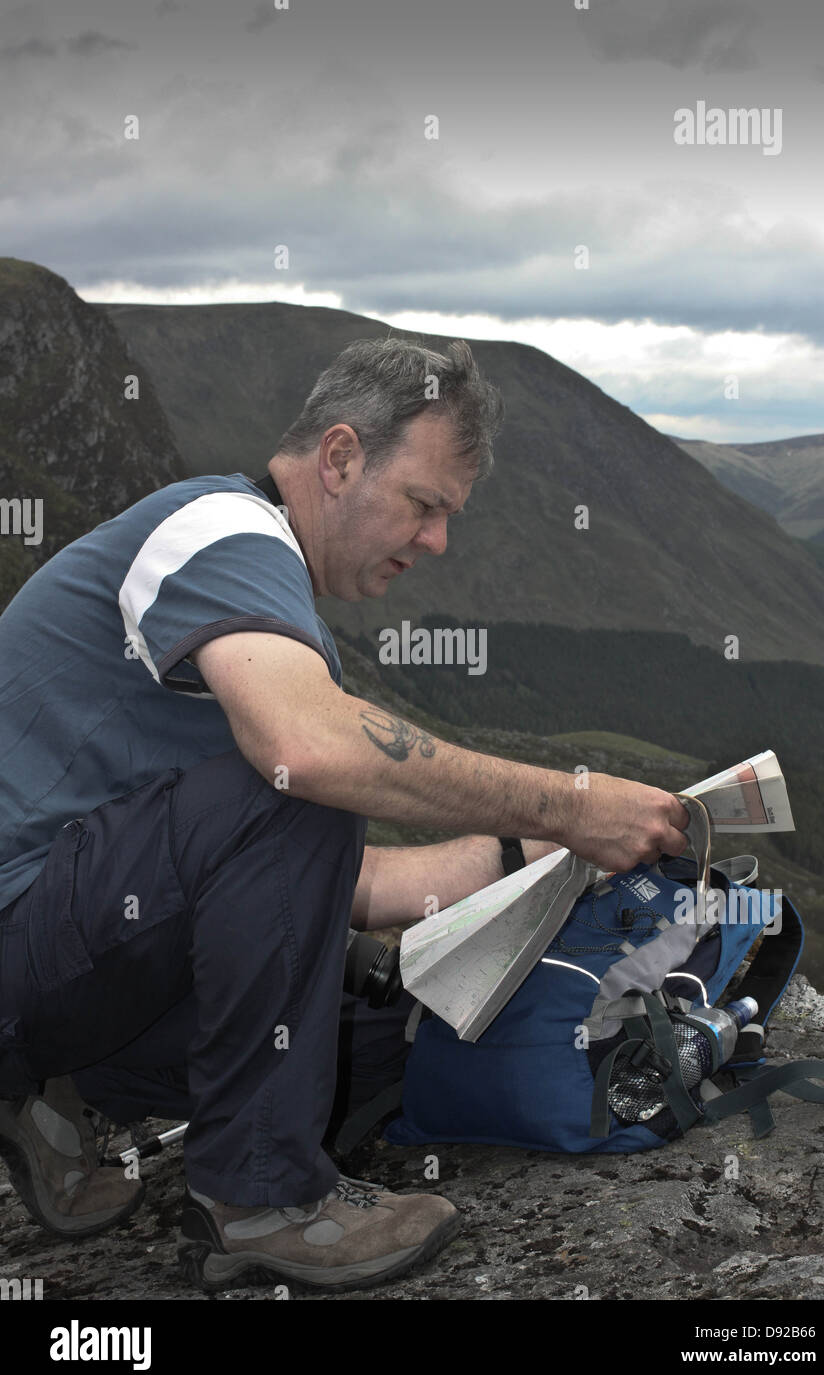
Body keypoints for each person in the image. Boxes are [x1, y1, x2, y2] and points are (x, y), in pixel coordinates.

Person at [0, 335, 689, 1294]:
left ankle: (59, 1086)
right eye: (425, 505)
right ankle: (267, 1198)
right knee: (303, 771)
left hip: (87, 959)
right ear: (339, 458)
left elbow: (342, 885)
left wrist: (537, 848)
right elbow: (308, 760)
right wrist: (573, 802)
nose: (438, 541)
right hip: (25, 936)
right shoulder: (219, 530)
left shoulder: (267, 626)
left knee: (378, 1037)